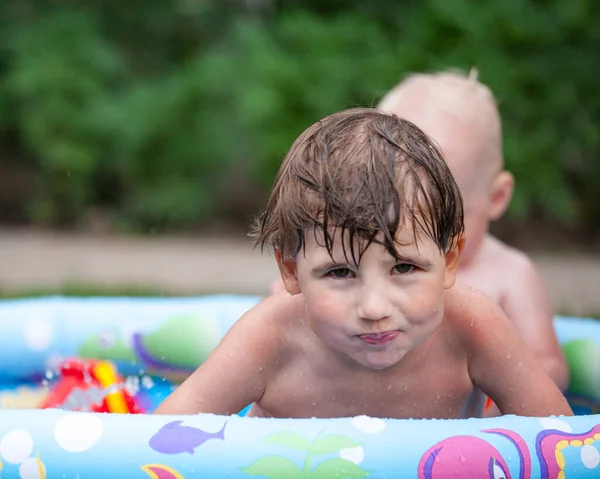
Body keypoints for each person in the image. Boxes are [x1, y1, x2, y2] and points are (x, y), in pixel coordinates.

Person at [155, 108, 572, 419]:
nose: (375, 308)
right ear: (289, 271)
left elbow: (564, 445)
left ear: (448, 260)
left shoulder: (473, 328)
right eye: (340, 272)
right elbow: (159, 442)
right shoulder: (269, 339)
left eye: (404, 268)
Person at [376, 70, 569, 407]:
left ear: (496, 197)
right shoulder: (366, 261)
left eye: (442, 204)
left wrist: (506, 397)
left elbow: (549, 364)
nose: (414, 222)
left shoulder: (509, 274)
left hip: (468, 445)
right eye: (391, 198)